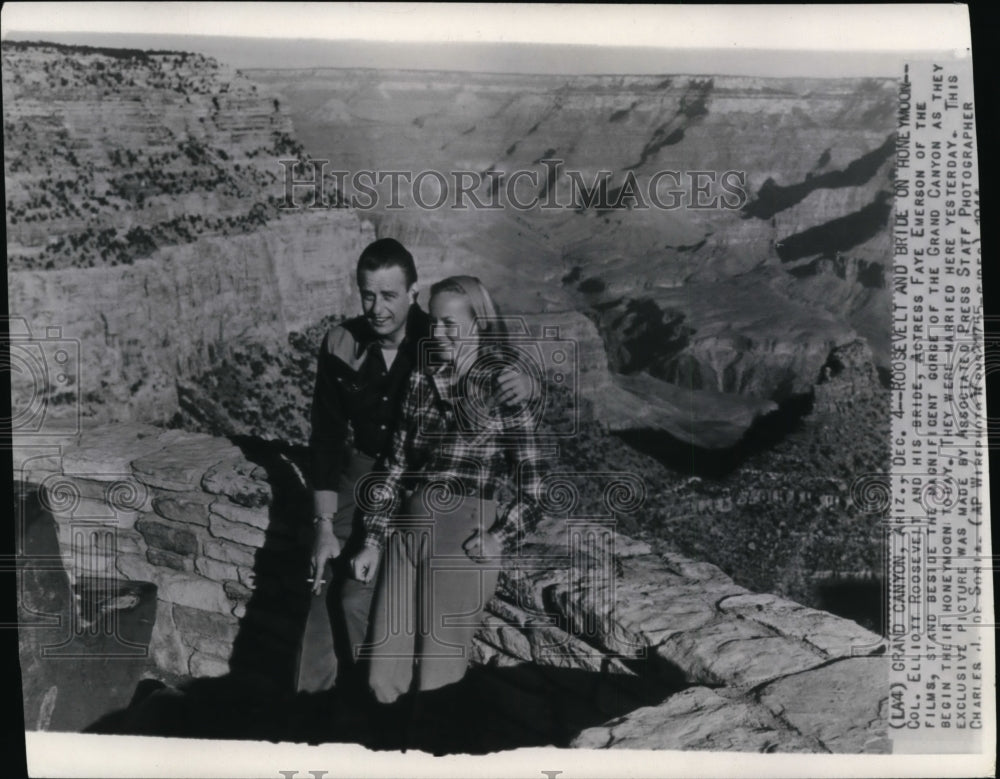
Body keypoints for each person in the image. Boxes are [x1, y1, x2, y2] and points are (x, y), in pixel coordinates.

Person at [297, 240, 532, 700]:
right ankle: (318, 706)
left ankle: (392, 717)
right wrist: (325, 524)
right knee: (330, 588)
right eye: (368, 294)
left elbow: (490, 353)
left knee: (393, 619)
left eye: (389, 295)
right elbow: (326, 436)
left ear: (412, 293)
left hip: (432, 496)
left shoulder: (436, 335)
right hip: (367, 477)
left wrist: (527, 380)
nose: (376, 307)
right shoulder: (342, 343)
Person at [350, 275, 547, 750]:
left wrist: (500, 537)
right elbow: (396, 464)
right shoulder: (421, 378)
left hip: (463, 536)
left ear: (478, 323)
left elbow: (535, 484)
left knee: (437, 681)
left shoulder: (504, 385)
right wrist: (373, 539)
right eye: (434, 322)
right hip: (407, 533)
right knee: (383, 672)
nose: (439, 333)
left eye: (450, 323)